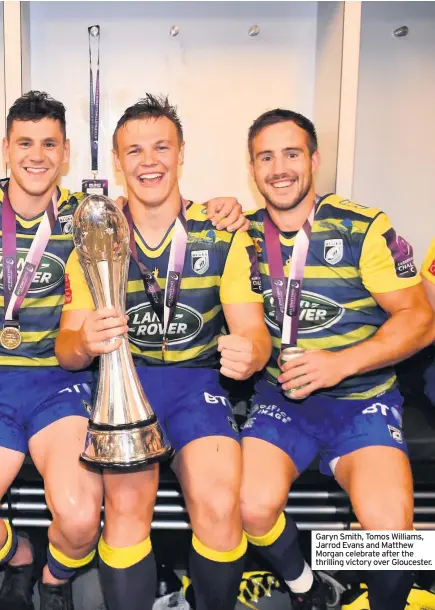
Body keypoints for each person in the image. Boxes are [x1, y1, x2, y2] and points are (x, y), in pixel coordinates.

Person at [55, 93, 272, 610]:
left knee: (220, 504)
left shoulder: (222, 233)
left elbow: (253, 331)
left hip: (198, 388)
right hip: (123, 389)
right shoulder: (94, 236)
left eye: (160, 148)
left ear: (180, 154)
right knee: (126, 507)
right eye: (134, 151)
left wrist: (253, 353)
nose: (148, 161)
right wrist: (85, 342)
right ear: (117, 160)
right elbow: (66, 349)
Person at [237, 108, 434, 610]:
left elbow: (419, 319)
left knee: (391, 536)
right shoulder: (239, 234)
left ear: (314, 160)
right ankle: (311, 587)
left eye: (291, 153)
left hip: (360, 402)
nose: (279, 168)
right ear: (252, 167)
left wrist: (342, 362)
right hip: (283, 402)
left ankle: (374, 598)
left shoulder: (363, 226)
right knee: (251, 508)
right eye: (266, 156)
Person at [0, 91, 104, 610]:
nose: (35, 155)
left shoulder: (89, 223)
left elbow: (165, 212)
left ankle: (54, 578)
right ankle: (17, 552)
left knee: (82, 516)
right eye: (24, 142)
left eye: (48, 144)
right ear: (6, 149)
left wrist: (229, 211)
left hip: (55, 384)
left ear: (65, 153)